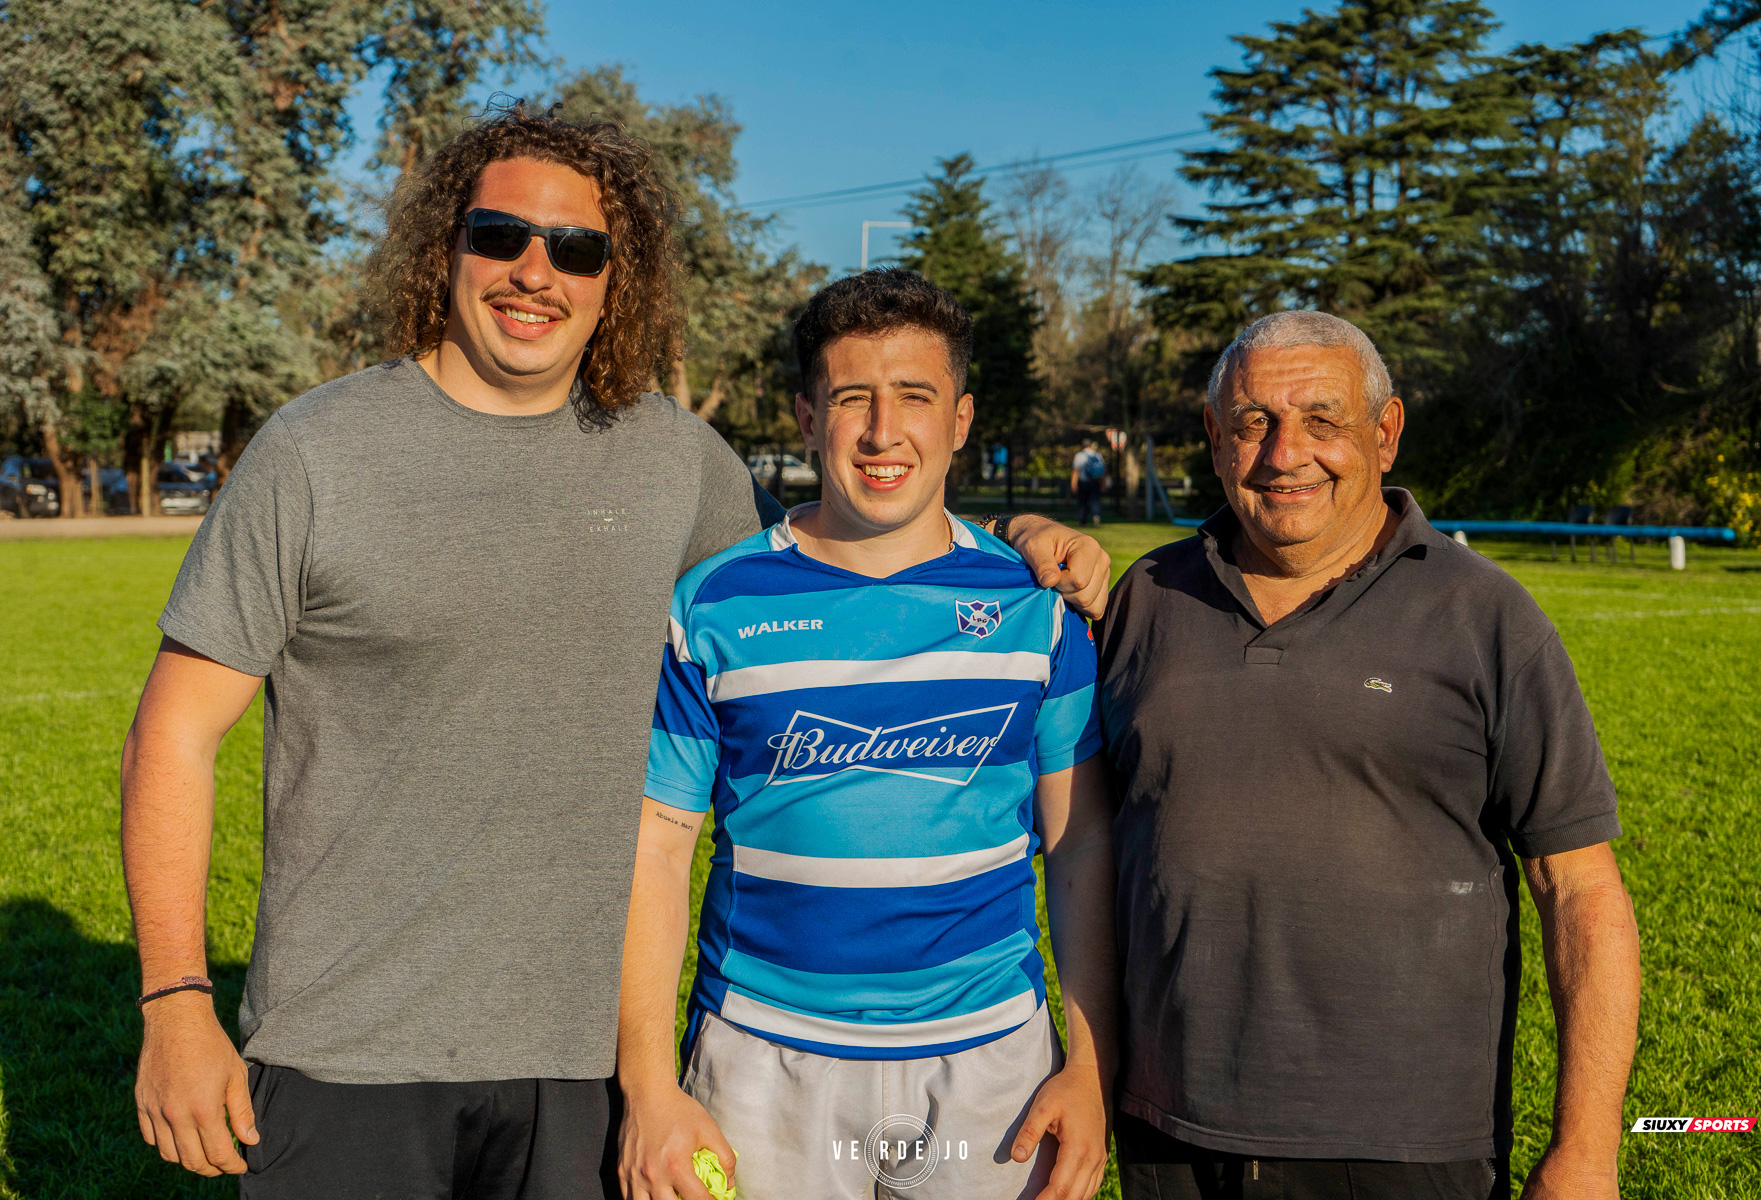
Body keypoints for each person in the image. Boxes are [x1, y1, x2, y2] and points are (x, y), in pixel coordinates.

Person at [120, 108, 1111, 1197]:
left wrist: (1024, 543)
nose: (534, 271)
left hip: (586, 1069)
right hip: (344, 1049)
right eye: (500, 236)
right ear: (446, 247)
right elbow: (173, 732)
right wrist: (174, 1001)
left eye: (577, 248)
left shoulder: (679, 464)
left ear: (612, 278)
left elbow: (848, 540)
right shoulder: (313, 454)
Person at [1096, 311, 1640, 1200]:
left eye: (1323, 420)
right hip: (1168, 1129)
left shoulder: (1486, 618)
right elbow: (1082, 851)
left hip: (1408, 1145)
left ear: (1384, 434)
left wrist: (1587, 1150)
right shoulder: (1144, 603)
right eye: (1253, 422)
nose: (1284, 453)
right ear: (1213, 438)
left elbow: (1580, 889)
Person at [614, 270, 1118, 1200]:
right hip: (763, 1059)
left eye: (915, 398)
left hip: (990, 1063)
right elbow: (656, 846)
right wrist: (646, 1084)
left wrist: (1086, 1068)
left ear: (961, 419)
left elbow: (1078, 843)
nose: (884, 434)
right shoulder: (715, 602)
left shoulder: (1037, 605)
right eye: (853, 399)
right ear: (808, 418)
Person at [1070, 440, 1106, 527]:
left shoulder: (1079, 455)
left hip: (1084, 482)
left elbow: (1076, 471)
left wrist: (1073, 483)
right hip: (1095, 482)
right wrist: (1103, 483)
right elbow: (1103, 470)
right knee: (1095, 501)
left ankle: (1082, 520)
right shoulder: (1097, 455)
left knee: (1083, 502)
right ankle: (1096, 516)